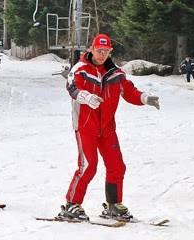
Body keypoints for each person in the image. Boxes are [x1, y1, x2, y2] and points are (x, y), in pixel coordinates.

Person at [59, 34, 160, 221]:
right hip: (85, 125)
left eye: (106, 51)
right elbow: (72, 87)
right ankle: (71, 204)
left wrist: (145, 98)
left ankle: (113, 205)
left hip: (106, 127)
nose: (102, 55)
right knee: (88, 166)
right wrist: (86, 97)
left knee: (117, 166)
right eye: (99, 50)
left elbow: (129, 91)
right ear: (92, 49)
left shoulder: (116, 73)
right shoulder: (80, 69)